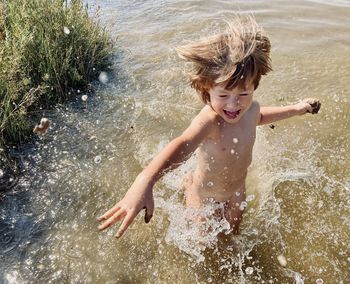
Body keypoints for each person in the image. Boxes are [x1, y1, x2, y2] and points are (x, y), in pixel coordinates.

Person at [97, 16, 321, 238]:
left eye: (244, 94)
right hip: (203, 195)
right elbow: (183, 144)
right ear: (207, 91)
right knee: (201, 244)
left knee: (233, 238)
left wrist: (298, 108)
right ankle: (188, 184)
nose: (234, 104)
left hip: (236, 193)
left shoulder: (251, 109)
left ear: (255, 86)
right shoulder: (210, 120)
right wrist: (145, 180)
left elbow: (261, 116)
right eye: (223, 95)